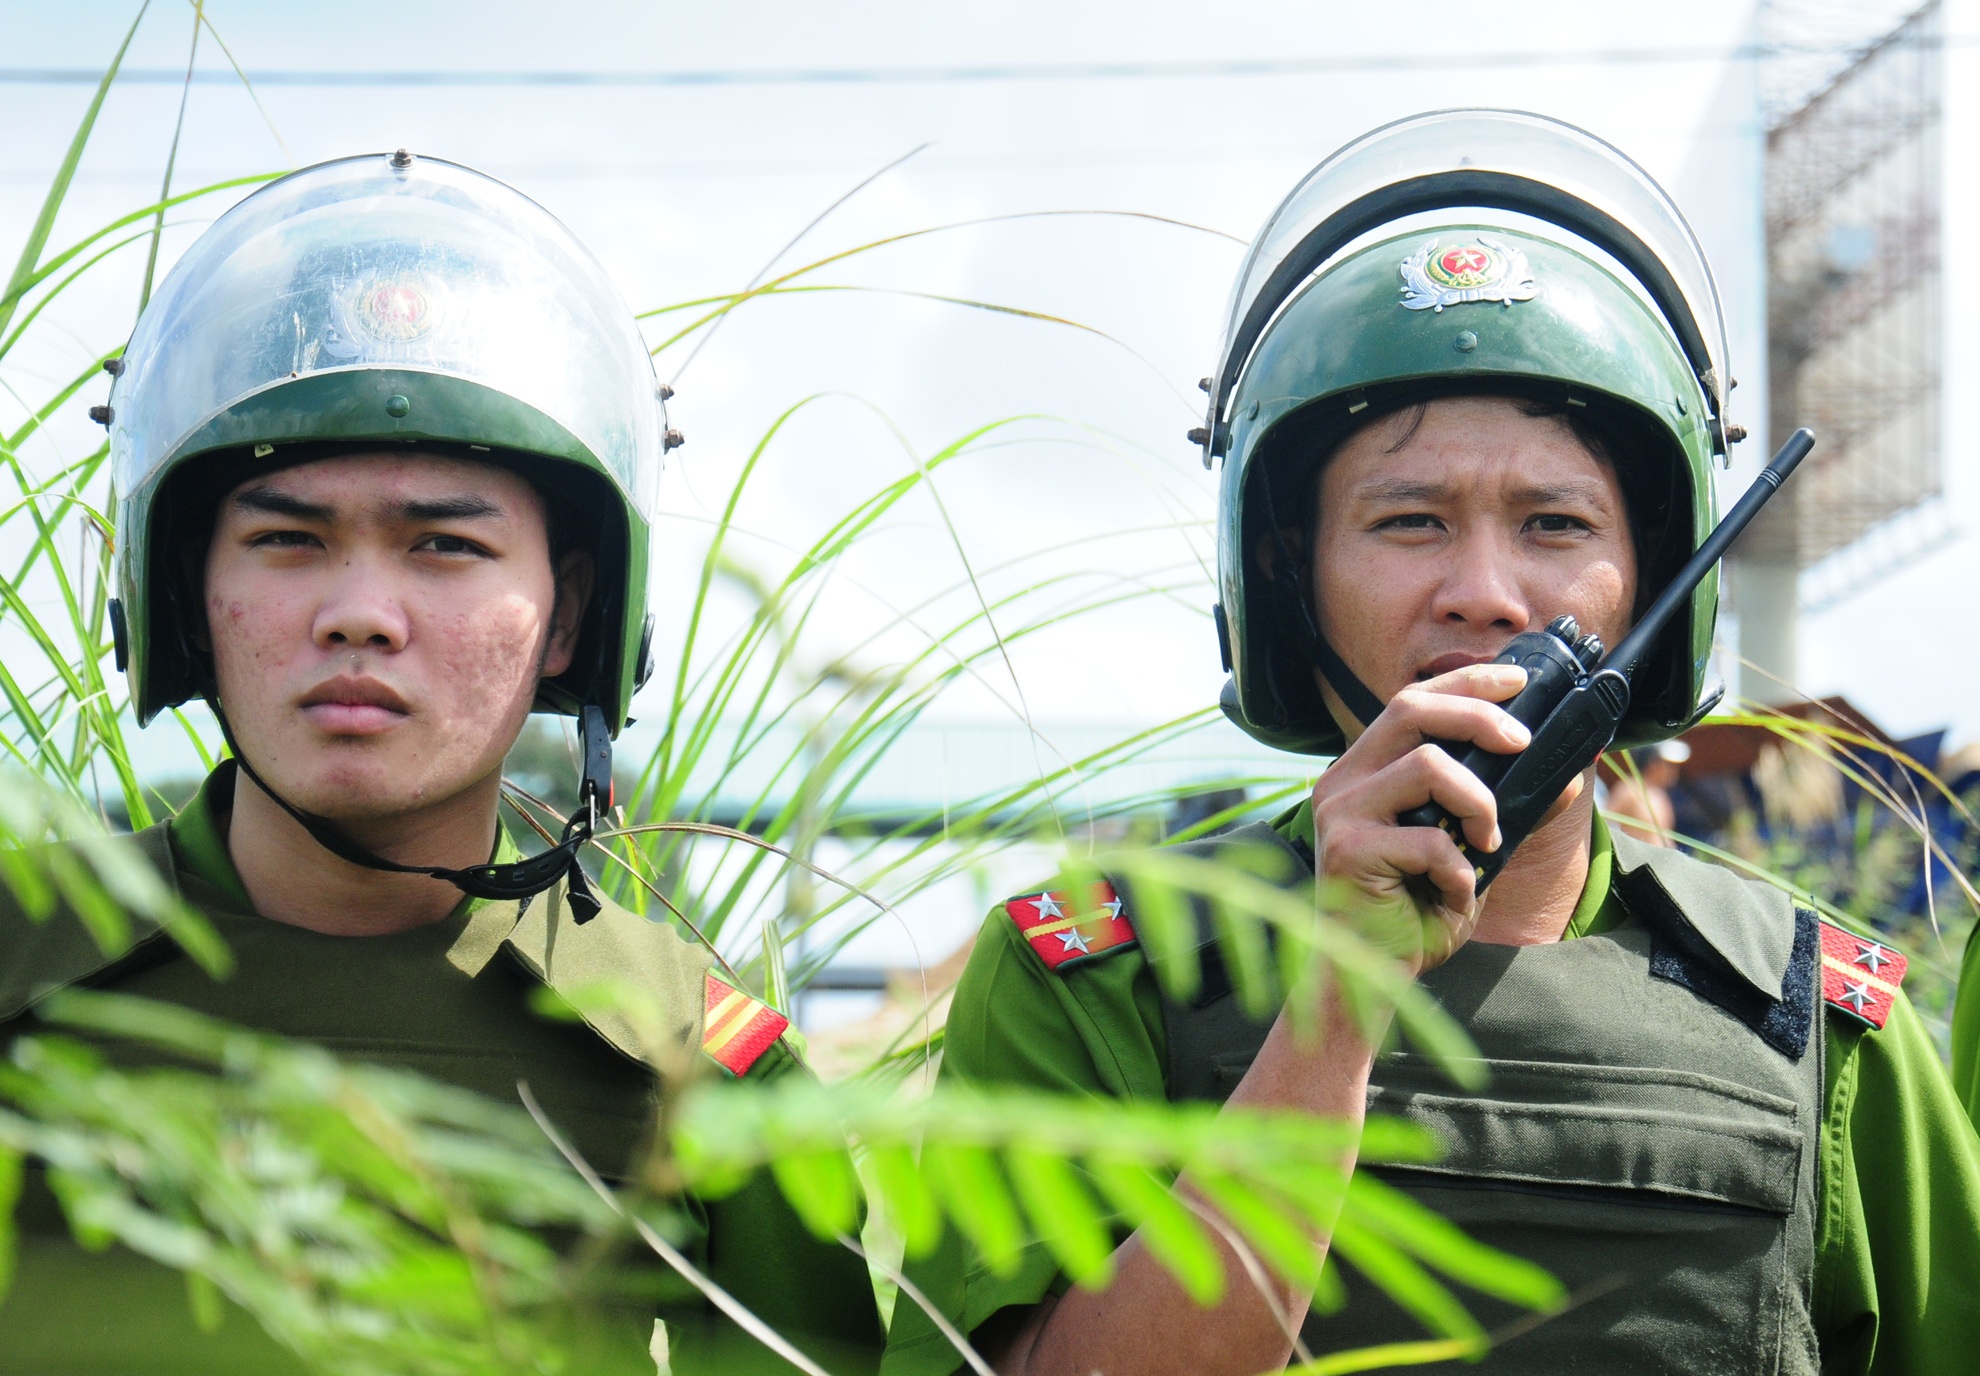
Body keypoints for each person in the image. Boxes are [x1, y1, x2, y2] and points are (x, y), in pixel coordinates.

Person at [882, 111, 1980, 1376]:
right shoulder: (1096, 978)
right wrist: (1335, 1007)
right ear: (1286, 576)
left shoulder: (1819, 1016)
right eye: (1408, 521)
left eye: (1556, 523)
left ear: (1656, 578)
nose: (1486, 594)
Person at [0, 152, 881, 1375]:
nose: (361, 613)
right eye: (287, 538)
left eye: (446, 547)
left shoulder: (688, 1051)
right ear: (187, 597)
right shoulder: (23, 964)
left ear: (571, 617)